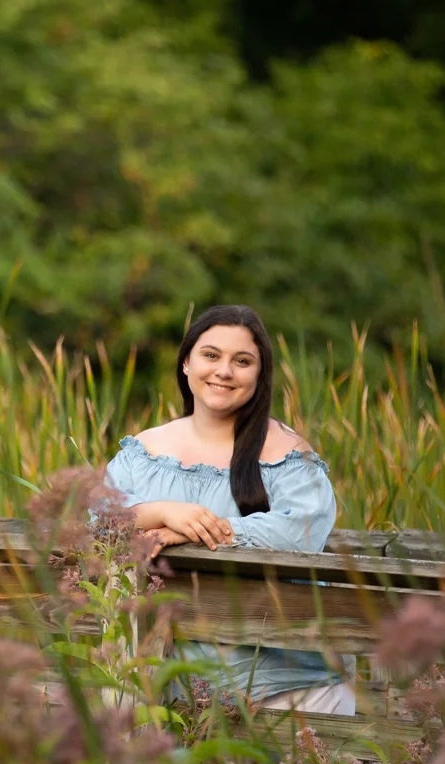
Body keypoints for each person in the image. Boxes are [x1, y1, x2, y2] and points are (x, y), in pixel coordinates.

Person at [101, 304, 356, 716]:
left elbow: (302, 531)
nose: (224, 371)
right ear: (186, 363)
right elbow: (93, 521)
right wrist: (163, 512)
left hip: (285, 689)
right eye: (211, 355)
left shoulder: (286, 451)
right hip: (168, 694)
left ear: (259, 375)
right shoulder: (145, 450)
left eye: (242, 361)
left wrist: (192, 531)